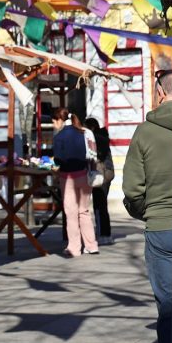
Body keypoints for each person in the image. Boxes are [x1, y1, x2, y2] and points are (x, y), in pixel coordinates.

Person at [123, 69, 172, 343]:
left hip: (160, 227)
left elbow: (133, 190)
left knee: (169, 305)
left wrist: (148, 210)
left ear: (160, 92)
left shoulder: (144, 132)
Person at [51, 107, 98, 257]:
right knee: (84, 211)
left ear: (60, 120)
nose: (53, 125)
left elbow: (59, 159)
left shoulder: (59, 137)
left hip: (68, 178)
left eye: (53, 121)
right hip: (84, 175)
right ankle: (92, 246)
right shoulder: (83, 132)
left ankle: (74, 248)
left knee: (71, 213)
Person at [85, 116, 114, 245]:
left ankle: (102, 234)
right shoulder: (103, 136)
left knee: (99, 204)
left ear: (90, 127)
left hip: (100, 174)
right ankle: (105, 233)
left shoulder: (95, 138)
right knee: (102, 204)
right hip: (107, 173)